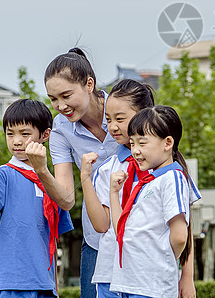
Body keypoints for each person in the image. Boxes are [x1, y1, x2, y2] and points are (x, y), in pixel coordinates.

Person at [81, 81, 200, 298]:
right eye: (108, 119)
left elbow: (183, 226)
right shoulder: (109, 169)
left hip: (150, 278)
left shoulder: (171, 173)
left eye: (120, 118)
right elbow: (102, 225)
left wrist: (186, 275)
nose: (113, 126)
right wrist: (86, 179)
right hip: (112, 273)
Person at [39, 48, 119, 298]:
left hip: (139, 235)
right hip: (97, 239)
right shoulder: (61, 130)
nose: (60, 106)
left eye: (66, 95)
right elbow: (67, 199)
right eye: (53, 99)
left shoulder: (123, 108)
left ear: (89, 84)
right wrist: (41, 170)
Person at [0, 99, 73, 298]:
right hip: (9, 283)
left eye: (25, 134)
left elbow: (52, 240)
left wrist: (54, 287)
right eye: (10, 134)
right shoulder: (3, 174)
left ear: (45, 134)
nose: (16, 141)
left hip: (44, 286)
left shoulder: (51, 184)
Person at [108, 105, 199, 298]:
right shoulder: (148, 182)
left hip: (152, 286)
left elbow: (180, 235)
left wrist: (160, 260)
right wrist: (114, 194)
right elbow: (121, 232)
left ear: (167, 143)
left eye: (142, 143)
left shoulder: (173, 178)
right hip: (131, 284)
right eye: (132, 143)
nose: (135, 150)